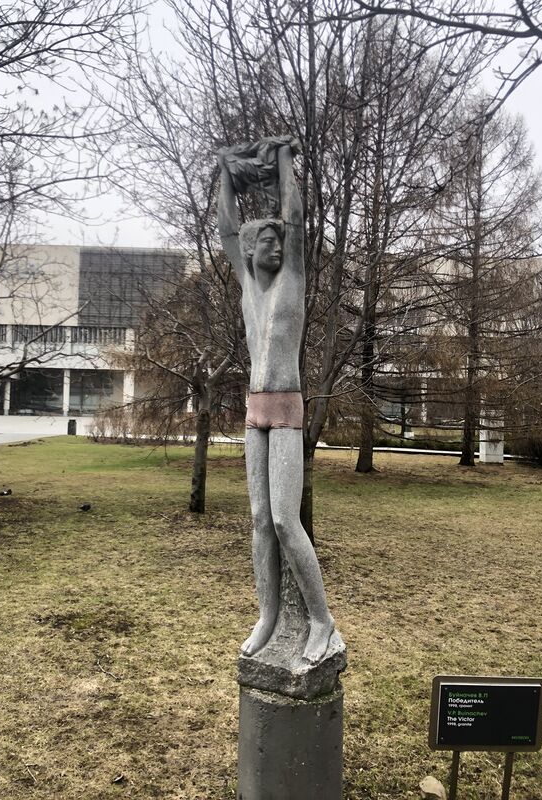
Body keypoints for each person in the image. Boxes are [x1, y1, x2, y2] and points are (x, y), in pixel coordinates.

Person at [217, 138, 334, 664]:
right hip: (254, 413)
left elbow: (296, 219)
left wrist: (285, 160)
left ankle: (321, 620)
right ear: (249, 250)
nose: (277, 246)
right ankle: (266, 615)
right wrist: (225, 172)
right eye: (267, 240)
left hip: (286, 410)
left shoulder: (293, 280)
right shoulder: (247, 285)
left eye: (279, 240)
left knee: (287, 520)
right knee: (260, 520)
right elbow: (226, 228)